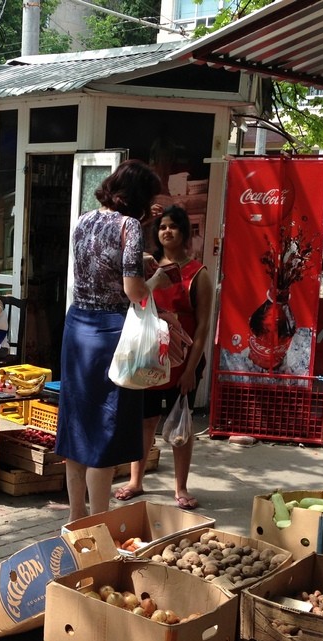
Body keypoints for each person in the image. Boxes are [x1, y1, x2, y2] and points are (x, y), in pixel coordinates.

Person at [55, 158, 173, 523]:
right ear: (138, 196)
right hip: (111, 334)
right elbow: (133, 291)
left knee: (77, 427)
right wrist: (159, 280)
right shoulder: (130, 228)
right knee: (104, 433)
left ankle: (75, 520)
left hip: (77, 329)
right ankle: (98, 525)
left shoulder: (83, 220)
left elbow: (99, 261)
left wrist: (143, 229)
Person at [114, 205, 213, 510]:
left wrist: (190, 370)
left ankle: (180, 489)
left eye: (173, 226)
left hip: (182, 362)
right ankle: (135, 481)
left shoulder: (198, 273)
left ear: (184, 233)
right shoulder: (148, 270)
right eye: (162, 227)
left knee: (180, 428)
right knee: (144, 423)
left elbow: (203, 327)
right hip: (147, 359)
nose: (166, 231)